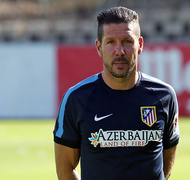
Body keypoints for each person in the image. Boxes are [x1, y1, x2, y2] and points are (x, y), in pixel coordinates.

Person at [53, 6, 180, 180]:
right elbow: (65, 168)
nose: (119, 51)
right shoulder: (76, 98)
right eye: (111, 42)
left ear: (140, 45)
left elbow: (166, 161)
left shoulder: (164, 96)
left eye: (127, 41)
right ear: (99, 47)